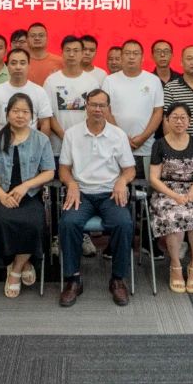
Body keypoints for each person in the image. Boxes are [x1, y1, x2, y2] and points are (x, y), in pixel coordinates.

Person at [58, 89, 136, 307]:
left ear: (108, 108)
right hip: (81, 192)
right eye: (93, 104)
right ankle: (73, 279)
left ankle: (118, 279)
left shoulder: (118, 135)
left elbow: (130, 169)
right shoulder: (72, 134)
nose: (98, 109)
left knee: (124, 223)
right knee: (68, 223)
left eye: (102, 105)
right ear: (86, 106)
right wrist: (71, 184)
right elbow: (63, 169)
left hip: (110, 192)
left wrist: (122, 181)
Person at [0, 93, 55, 298]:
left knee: (33, 223)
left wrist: (25, 186)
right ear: (7, 114)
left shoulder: (41, 140)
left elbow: (49, 172)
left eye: (25, 112)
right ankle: (25, 262)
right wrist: (1, 195)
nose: (20, 115)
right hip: (0, 195)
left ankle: (15, 269)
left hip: (29, 196)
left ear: (32, 116)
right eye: (15, 111)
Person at [149, 103, 193, 294]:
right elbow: (154, 178)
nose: (179, 121)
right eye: (174, 117)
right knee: (174, 218)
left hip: (191, 189)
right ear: (167, 120)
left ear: (190, 121)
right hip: (166, 192)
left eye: (183, 118)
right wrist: (174, 195)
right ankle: (175, 266)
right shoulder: (159, 144)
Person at [101, 40, 164, 173]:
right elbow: (106, 111)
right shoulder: (109, 80)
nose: (131, 57)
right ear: (121, 56)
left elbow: (158, 112)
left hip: (145, 148)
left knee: (145, 185)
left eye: (135, 53)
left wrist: (142, 138)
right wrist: (122, 138)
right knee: (117, 185)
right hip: (115, 147)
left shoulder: (153, 80)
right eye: (127, 53)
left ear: (142, 57)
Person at [46, 36, 100, 156]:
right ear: (62, 53)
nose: (71, 54)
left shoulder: (91, 82)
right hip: (58, 146)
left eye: (76, 51)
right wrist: (64, 136)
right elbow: (48, 113)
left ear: (82, 54)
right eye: (68, 50)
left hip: (85, 144)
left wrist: (80, 137)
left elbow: (95, 112)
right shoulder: (51, 81)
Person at [0, 48, 53, 139]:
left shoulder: (39, 91)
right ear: (7, 66)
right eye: (13, 63)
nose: (18, 67)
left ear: (29, 66)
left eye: (22, 63)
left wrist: (42, 146)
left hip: (31, 145)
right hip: (4, 144)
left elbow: (45, 123)